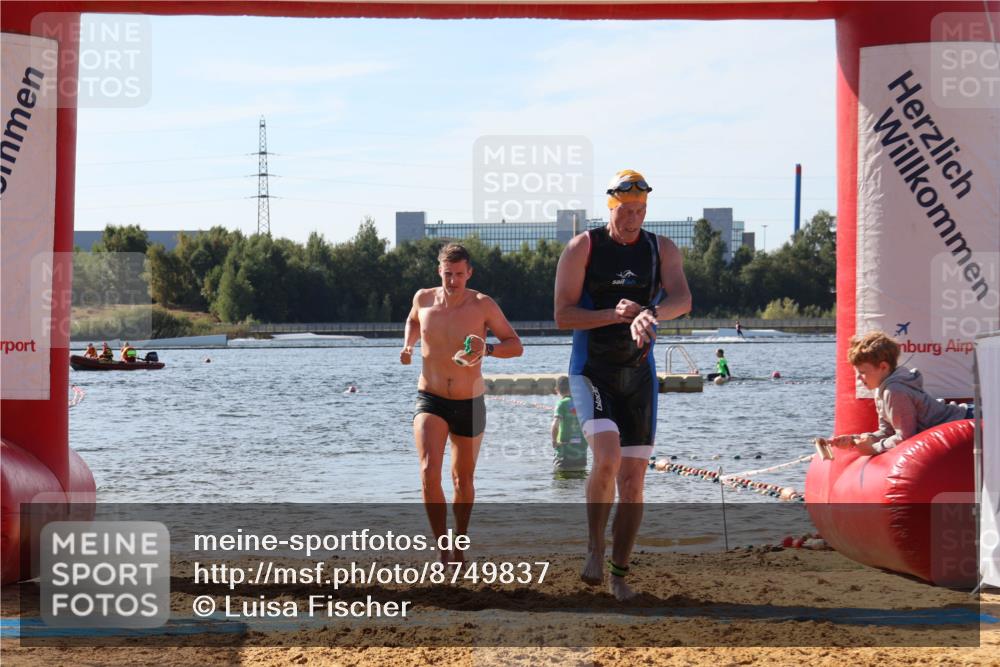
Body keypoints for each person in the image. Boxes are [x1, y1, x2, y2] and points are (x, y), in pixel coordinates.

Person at [554, 169, 692, 601]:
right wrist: (617, 315)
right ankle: (594, 547)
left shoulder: (661, 248)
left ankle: (619, 573)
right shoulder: (583, 247)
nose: (633, 219)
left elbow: (683, 301)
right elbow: (563, 316)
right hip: (591, 370)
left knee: (634, 481)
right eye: (626, 211)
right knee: (608, 459)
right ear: (611, 208)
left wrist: (649, 312)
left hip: (638, 376)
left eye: (640, 211)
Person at [401, 243, 523, 564]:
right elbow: (414, 321)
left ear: (469, 273)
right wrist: (408, 346)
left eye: (459, 274)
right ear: (438, 271)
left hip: (470, 402)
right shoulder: (423, 298)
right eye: (447, 274)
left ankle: (459, 542)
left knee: (462, 479)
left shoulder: (482, 305)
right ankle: (443, 549)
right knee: (428, 471)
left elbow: (515, 345)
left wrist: (489, 350)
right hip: (430, 397)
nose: (453, 281)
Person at [823, 331, 970, 456]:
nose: (858, 378)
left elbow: (906, 437)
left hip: (967, 419)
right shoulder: (881, 389)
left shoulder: (894, 391)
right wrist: (854, 440)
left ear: (883, 367)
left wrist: (874, 448)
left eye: (862, 373)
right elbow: (887, 431)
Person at [551, 375, 587, 479]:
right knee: (580, 481)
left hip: (564, 453)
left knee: (561, 482)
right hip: (581, 453)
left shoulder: (561, 404)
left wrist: (554, 440)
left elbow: (555, 424)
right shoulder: (582, 403)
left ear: (556, 390)